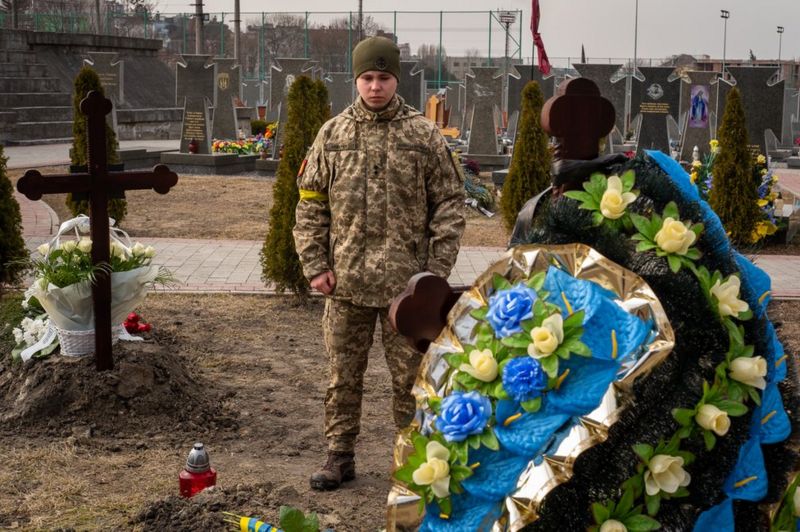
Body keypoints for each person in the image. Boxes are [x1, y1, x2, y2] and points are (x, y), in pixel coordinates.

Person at [293, 36, 465, 491]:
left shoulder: (422, 135)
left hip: (406, 290)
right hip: (344, 284)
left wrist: (436, 272)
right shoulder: (333, 134)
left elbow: (449, 203)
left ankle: (415, 461)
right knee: (342, 378)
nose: (375, 87)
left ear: (396, 80)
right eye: (367, 78)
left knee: (412, 381)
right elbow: (310, 203)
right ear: (355, 80)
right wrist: (315, 264)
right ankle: (339, 456)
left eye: (383, 78)